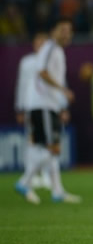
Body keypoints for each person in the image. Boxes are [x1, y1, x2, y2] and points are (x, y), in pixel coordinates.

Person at [15, 18, 81, 204]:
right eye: (62, 30)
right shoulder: (50, 47)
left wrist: (60, 103)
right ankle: (25, 181)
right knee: (52, 149)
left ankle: (57, 191)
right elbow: (42, 73)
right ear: (54, 32)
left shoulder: (57, 50)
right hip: (42, 104)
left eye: (69, 30)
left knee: (52, 149)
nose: (66, 33)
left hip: (50, 104)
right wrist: (63, 90)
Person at [14, 32, 52, 190]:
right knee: (32, 139)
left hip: (49, 105)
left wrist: (62, 106)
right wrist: (20, 107)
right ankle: (31, 174)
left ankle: (45, 174)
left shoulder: (51, 61)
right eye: (38, 41)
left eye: (44, 42)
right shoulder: (27, 62)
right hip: (31, 105)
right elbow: (21, 84)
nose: (41, 45)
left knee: (49, 140)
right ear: (34, 44)